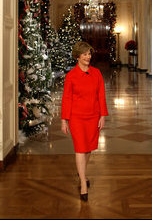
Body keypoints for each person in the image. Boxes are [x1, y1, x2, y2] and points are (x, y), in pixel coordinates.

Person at [61, 41, 109, 201]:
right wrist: (64, 120)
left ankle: (82, 172)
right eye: (85, 54)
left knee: (88, 149)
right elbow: (66, 98)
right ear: (77, 56)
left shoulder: (96, 73)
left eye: (89, 54)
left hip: (93, 116)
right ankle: (83, 182)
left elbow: (101, 95)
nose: (88, 57)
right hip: (77, 118)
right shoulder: (71, 76)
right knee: (80, 149)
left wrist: (102, 116)